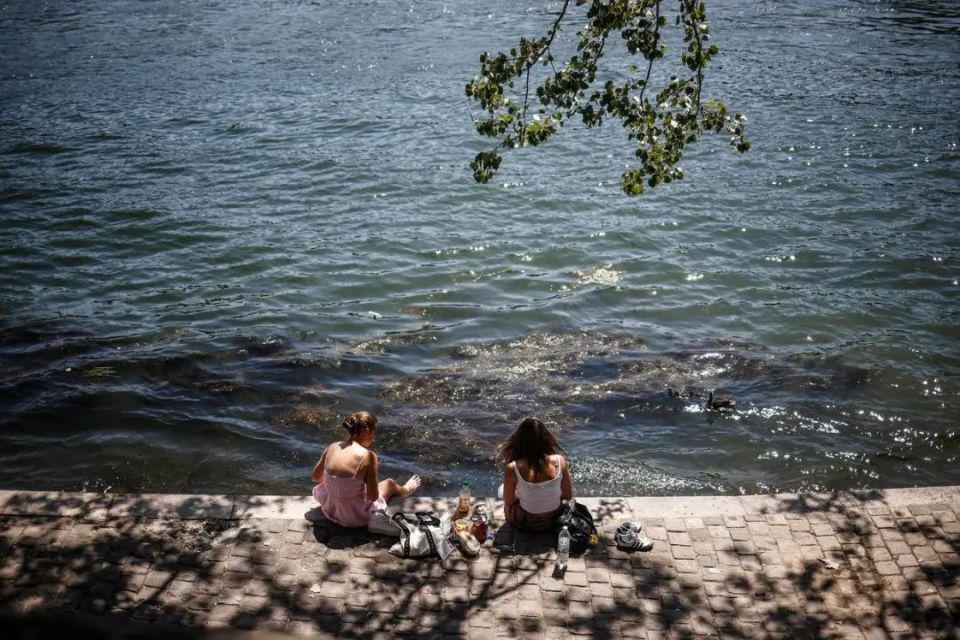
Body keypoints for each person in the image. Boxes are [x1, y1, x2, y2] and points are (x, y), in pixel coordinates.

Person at [310, 411, 421, 528]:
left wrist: (338, 483)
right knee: (389, 483)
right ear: (366, 431)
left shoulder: (332, 447)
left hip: (329, 509)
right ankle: (406, 490)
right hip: (354, 517)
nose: (374, 439)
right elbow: (372, 496)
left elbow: (315, 477)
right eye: (374, 432)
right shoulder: (368, 456)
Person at [497, 417, 573, 532]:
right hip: (554, 520)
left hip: (526, 523)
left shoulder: (513, 467)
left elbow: (510, 501)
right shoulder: (559, 461)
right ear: (546, 439)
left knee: (502, 491)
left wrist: (526, 495)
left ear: (519, 440)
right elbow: (568, 495)